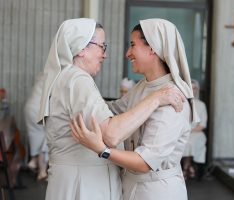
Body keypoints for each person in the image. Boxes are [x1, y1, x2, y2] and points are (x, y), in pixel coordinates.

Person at [38, 18, 184, 200]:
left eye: (132, 45)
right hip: (83, 183)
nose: (105, 54)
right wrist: (155, 99)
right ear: (82, 48)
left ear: (153, 48)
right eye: (102, 46)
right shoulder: (77, 80)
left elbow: (114, 111)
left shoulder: (169, 92)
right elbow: (111, 132)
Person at [182, 79, 208, 180]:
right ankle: (188, 167)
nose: (193, 90)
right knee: (185, 141)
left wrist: (190, 131)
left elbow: (203, 125)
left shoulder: (201, 105)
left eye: (195, 88)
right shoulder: (181, 103)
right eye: (191, 87)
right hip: (182, 132)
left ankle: (186, 167)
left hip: (196, 132)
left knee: (194, 141)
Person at [24, 73, 48, 181]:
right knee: (47, 138)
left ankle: (33, 161)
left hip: (29, 108)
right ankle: (42, 171)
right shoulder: (57, 77)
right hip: (39, 111)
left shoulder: (43, 74)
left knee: (37, 137)